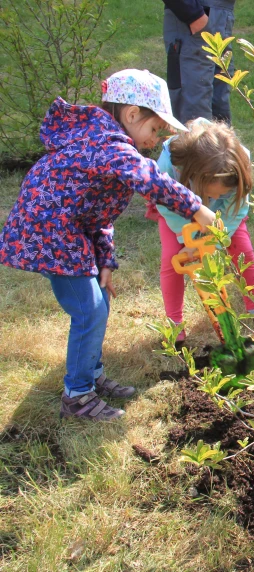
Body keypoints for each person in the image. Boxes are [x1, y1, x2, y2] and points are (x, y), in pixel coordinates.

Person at [0, 69, 217, 421]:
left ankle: (89, 371)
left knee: (99, 301)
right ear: (131, 114)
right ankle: (77, 397)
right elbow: (149, 178)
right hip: (50, 233)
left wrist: (105, 262)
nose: (155, 140)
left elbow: (100, 215)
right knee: (90, 311)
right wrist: (196, 208)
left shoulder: (104, 143)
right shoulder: (109, 145)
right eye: (154, 129)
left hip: (68, 231)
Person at [154, 118, 254, 342]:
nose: (216, 197)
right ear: (197, 176)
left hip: (224, 215)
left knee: (243, 251)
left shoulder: (238, 164)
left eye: (222, 194)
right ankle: (174, 321)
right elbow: (164, 203)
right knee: (172, 259)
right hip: (177, 212)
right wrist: (186, 239)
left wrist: (214, 241)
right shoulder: (169, 164)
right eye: (212, 193)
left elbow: (236, 210)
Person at [162, 0, 236, 124]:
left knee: (220, 116)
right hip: (195, 16)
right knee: (194, 117)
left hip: (222, 14)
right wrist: (193, 14)